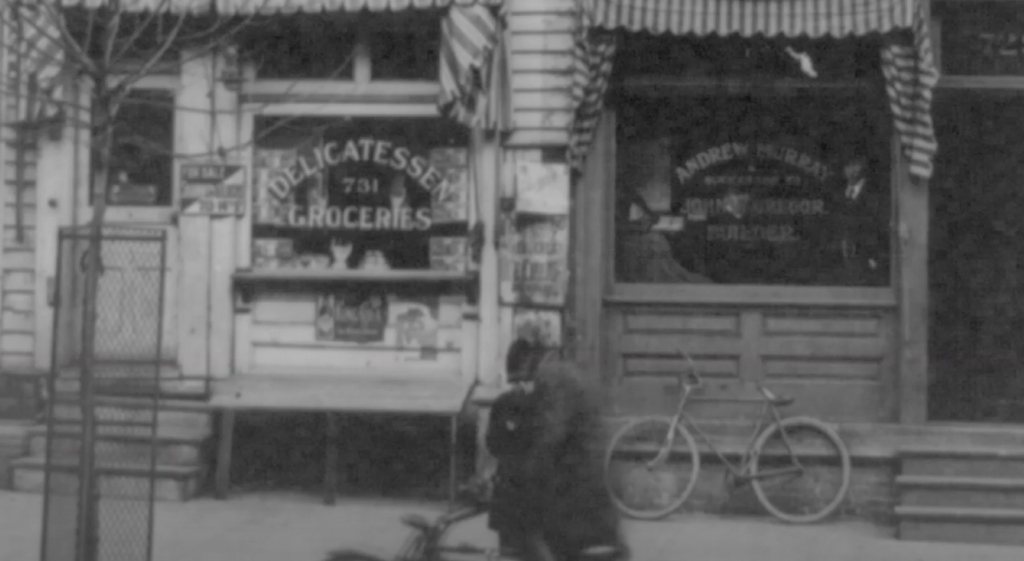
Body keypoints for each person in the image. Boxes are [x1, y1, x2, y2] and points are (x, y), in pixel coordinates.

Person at [486, 336, 624, 561]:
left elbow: (500, 445)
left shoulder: (538, 405)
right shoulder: (560, 405)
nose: (523, 387)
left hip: (532, 504)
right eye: (518, 382)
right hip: (543, 506)